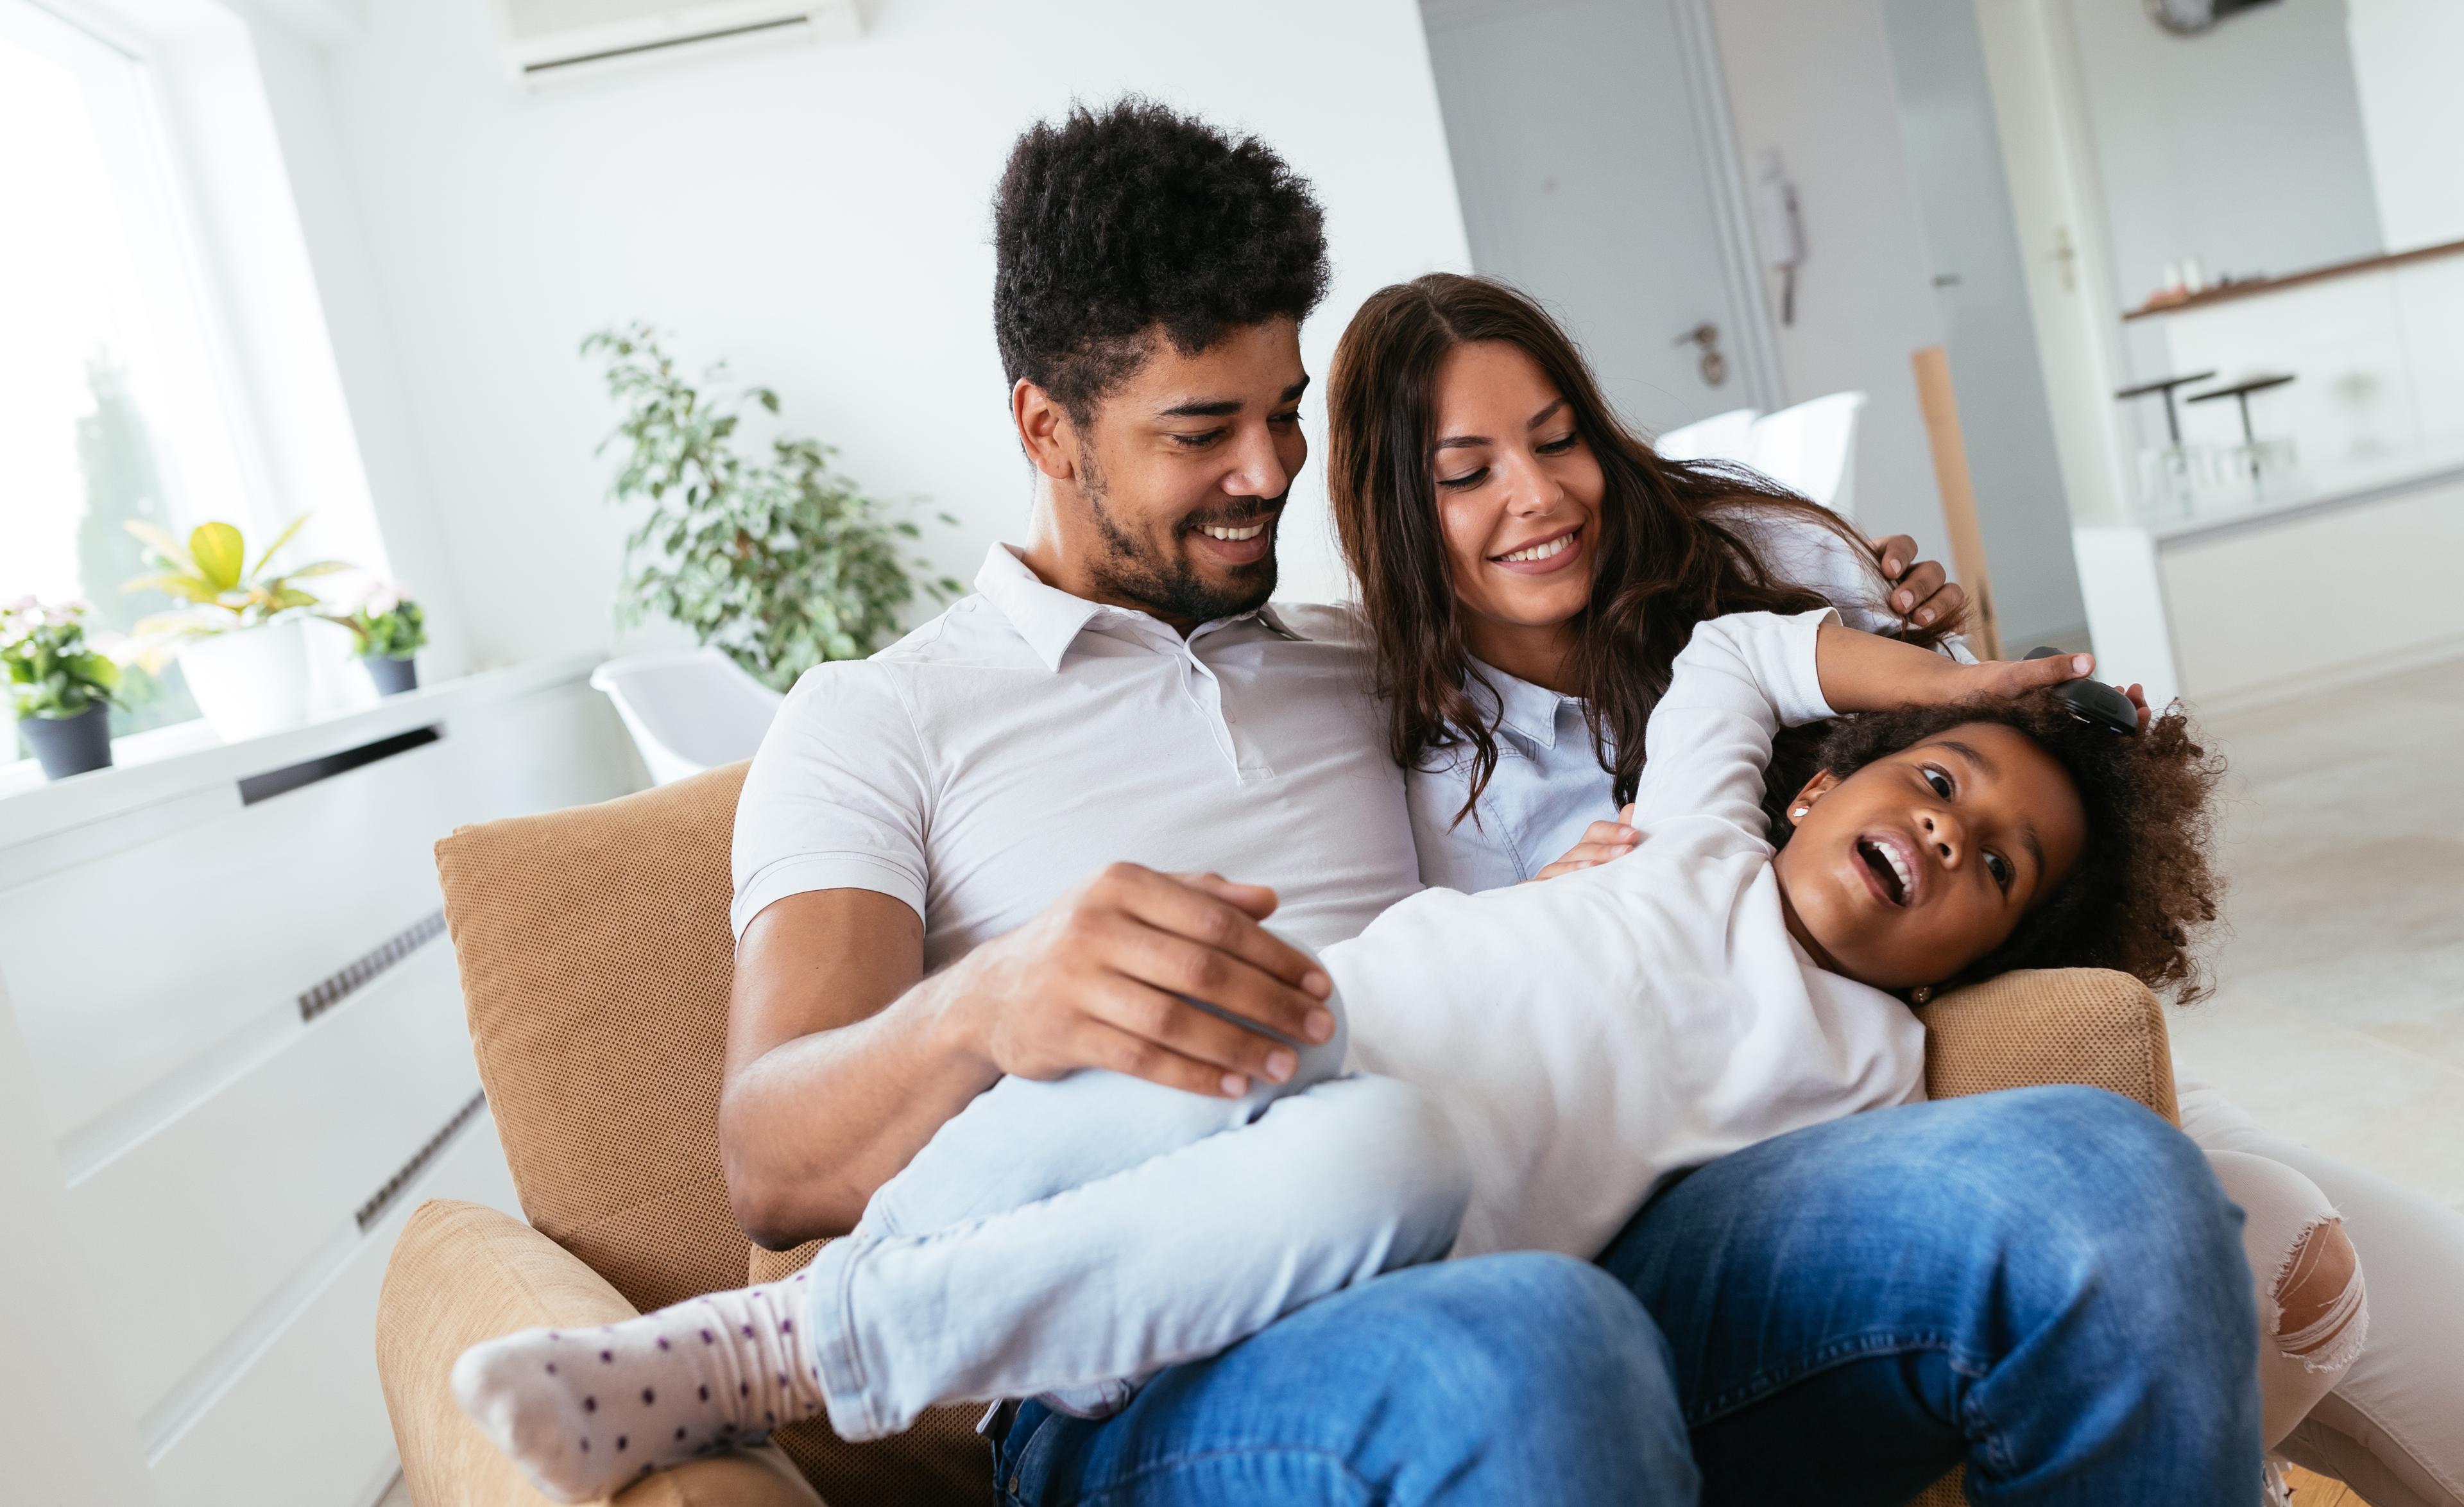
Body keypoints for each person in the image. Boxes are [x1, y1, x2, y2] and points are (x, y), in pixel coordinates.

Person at [608, 99, 2254, 1506]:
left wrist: (1894, 620)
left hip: (1566, 1215)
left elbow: (1679, 647)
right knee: (1539, 1343)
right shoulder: (879, 720)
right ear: (1046, 426)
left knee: (2107, 1192)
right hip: (1175, 1345)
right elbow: (770, 1157)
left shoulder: (1378, 661)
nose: (1268, 472)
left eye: (1282, 410)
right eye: (1202, 431)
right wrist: (998, 999)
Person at [454, 610, 2246, 1504]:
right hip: (1183, 1116)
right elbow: (1730, 653)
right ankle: (801, 1339)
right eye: (1934, 780)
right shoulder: (1695, 828)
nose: (1948, 837)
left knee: (1405, 1165)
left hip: (1401, 1225)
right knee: (1364, 1112)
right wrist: (1958, 678)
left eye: (1996, 867)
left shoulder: (1868, 1062)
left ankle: (816, 1340)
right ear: (1823, 779)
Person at [1324, 271, 2397, 1499]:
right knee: (2259, 1250)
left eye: (1559, 440)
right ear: (1398, 508)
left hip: (1907, 1032)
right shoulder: (1510, 793)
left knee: (2278, 1242)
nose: (1537, 493)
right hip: (1580, 1199)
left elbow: (1984, 769)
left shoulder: (1759, 591)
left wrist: (1951, 673)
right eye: (1466, 473)